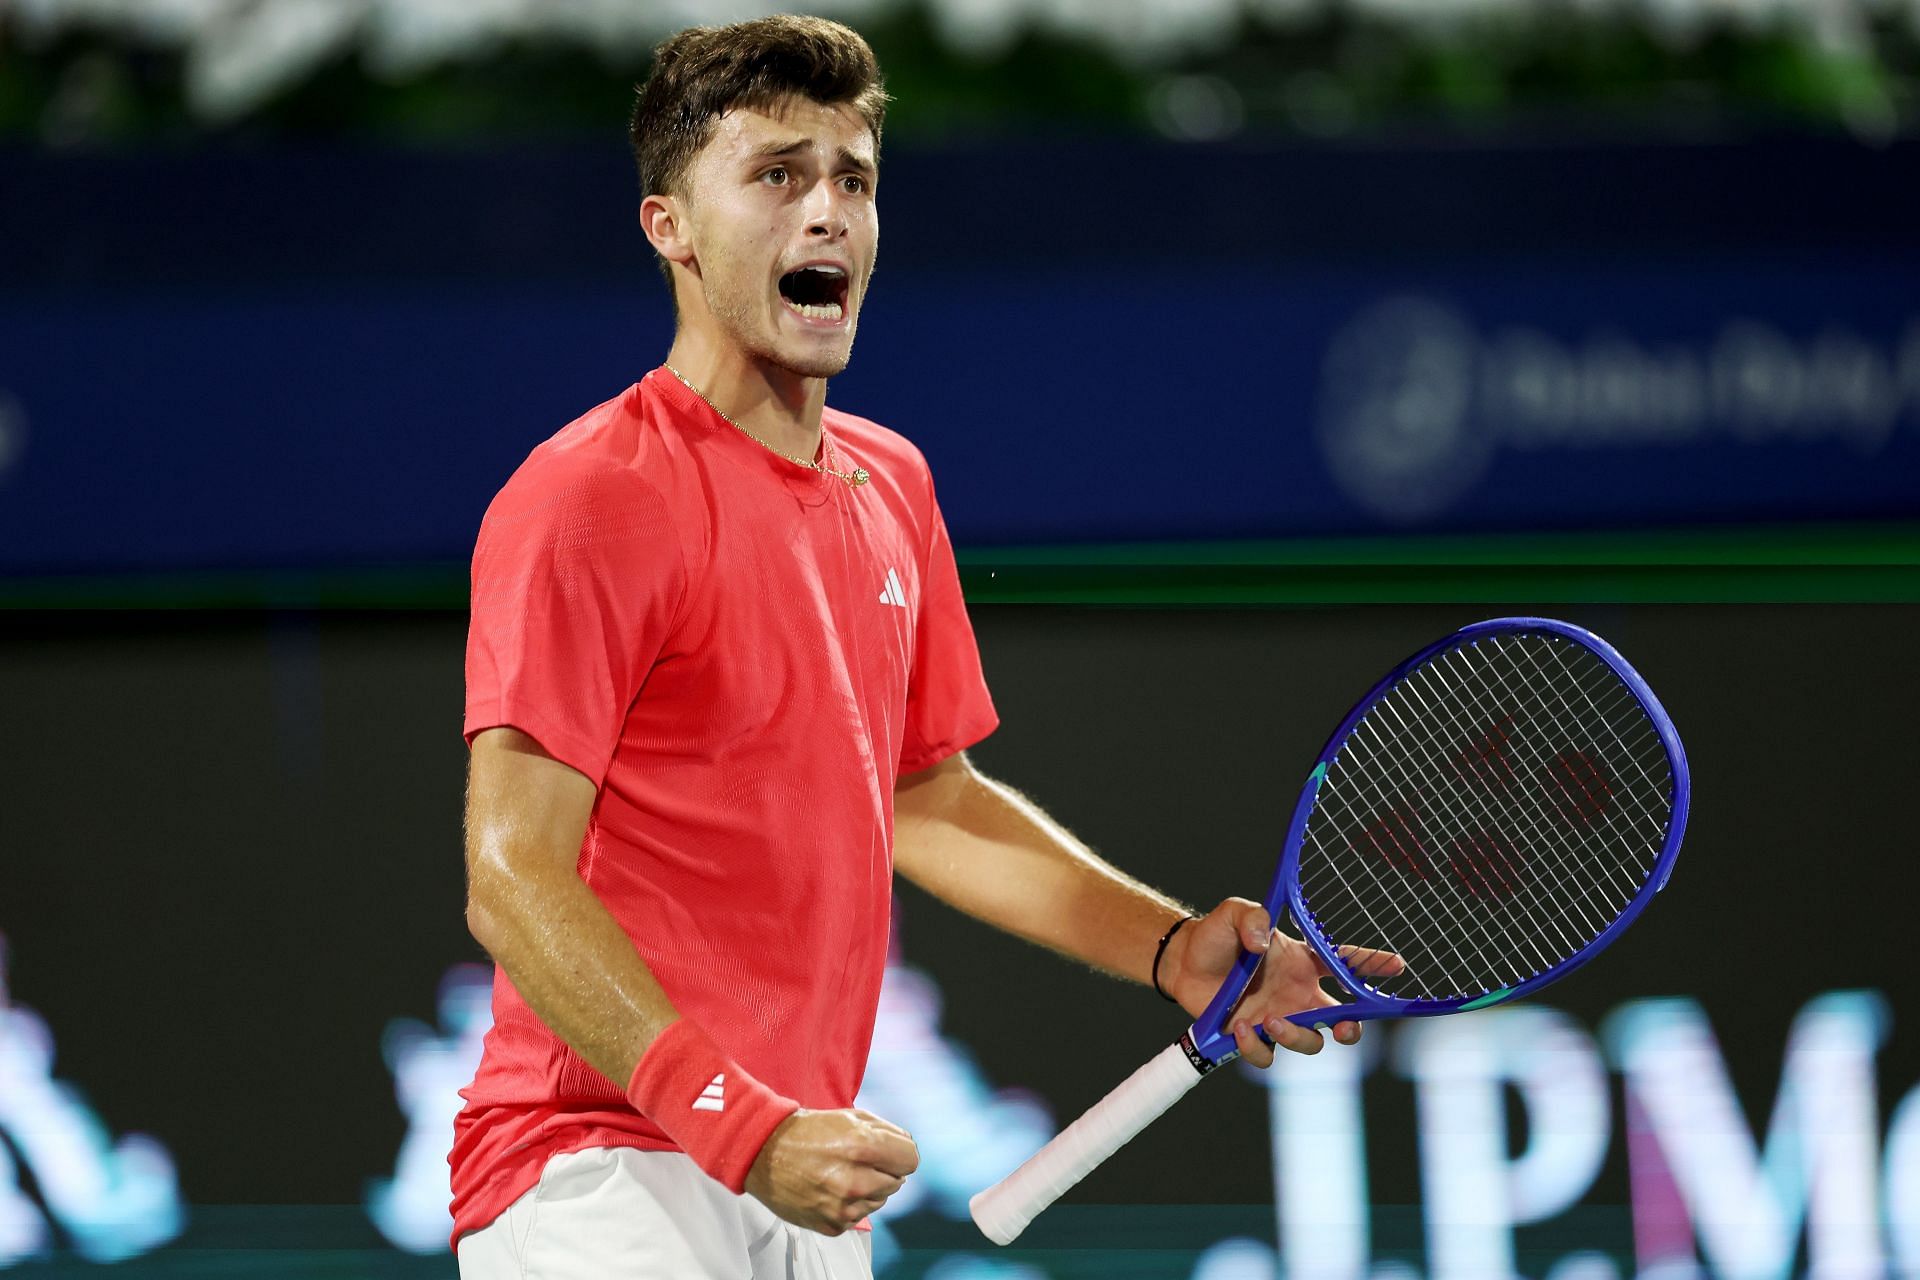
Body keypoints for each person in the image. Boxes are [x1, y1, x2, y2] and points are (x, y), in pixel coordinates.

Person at [453, 16, 1396, 1280]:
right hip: (599, 1165)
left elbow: (926, 799)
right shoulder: (588, 496)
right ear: (669, 227)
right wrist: (732, 1120)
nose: (828, 212)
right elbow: (512, 873)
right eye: (777, 174)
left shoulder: (892, 484)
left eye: (854, 177)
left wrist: (1171, 945)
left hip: (804, 1171)